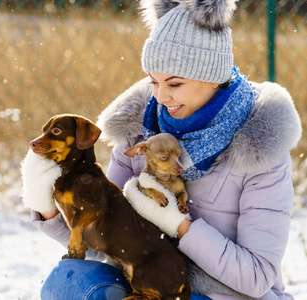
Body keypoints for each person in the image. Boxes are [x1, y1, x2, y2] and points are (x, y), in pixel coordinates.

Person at [28, 0, 302, 299]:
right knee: (67, 281)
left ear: (213, 77)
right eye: (153, 82)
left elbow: (256, 277)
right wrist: (47, 205)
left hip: (223, 294)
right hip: (150, 279)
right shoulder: (140, 133)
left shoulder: (259, 150)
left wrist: (178, 224)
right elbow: (106, 241)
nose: (160, 97)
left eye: (174, 84)